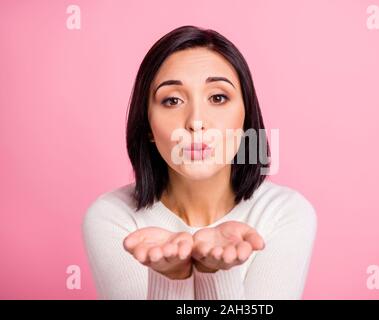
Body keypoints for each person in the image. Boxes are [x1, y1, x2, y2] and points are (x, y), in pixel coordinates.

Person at [82, 25, 317, 300]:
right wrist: (170, 277)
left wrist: (215, 274)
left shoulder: (285, 213)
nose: (195, 122)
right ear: (148, 126)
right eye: (172, 100)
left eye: (218, 97)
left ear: (245, 118)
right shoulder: (112, 217)